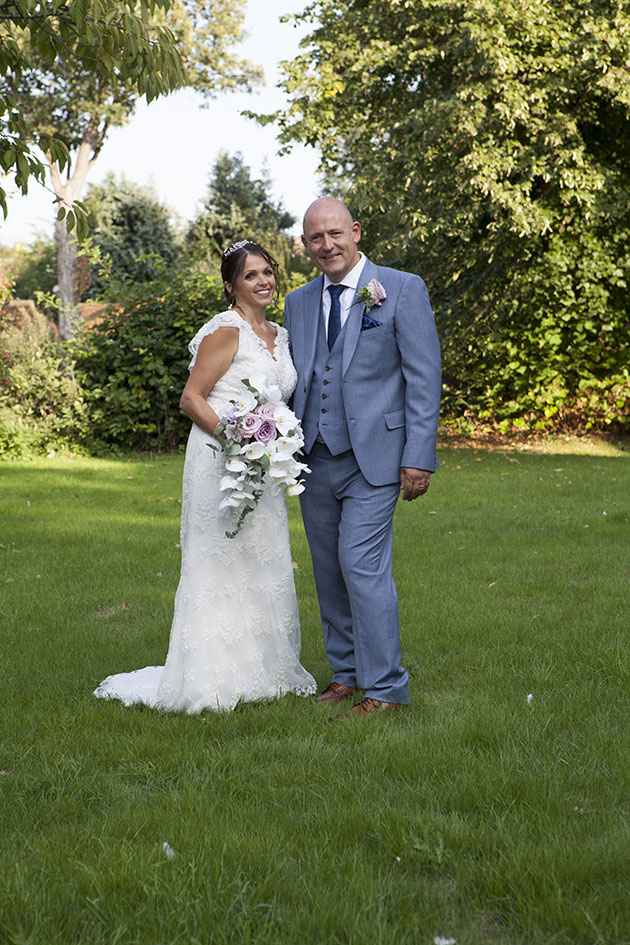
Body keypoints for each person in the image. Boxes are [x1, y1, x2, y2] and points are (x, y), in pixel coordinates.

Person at [94, 240, 316, 713]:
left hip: (265, 461)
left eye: (268, 272)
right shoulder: (226, 330)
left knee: (263, 556)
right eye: (251, 275)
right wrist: (239, 439)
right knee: (219, 555)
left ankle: (264, 670)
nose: (264, 281)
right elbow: (192, 398)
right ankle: (210, 674)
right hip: (221, 456)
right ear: (231, 285)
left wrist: (270, 444)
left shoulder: (280, 332)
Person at [283, 197, 441, 718]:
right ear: (305, 245)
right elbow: (296, 378)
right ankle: (347, 675)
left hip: (376, 457)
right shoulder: (298, 302)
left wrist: (418, 455)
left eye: (334, 234)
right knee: (328, 571)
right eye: (314, 238)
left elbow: (423, 378)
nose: (326, 245)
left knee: (361, 565)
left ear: (354, 231)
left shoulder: (401, 288)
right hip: (314, 457)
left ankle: (387, 688)